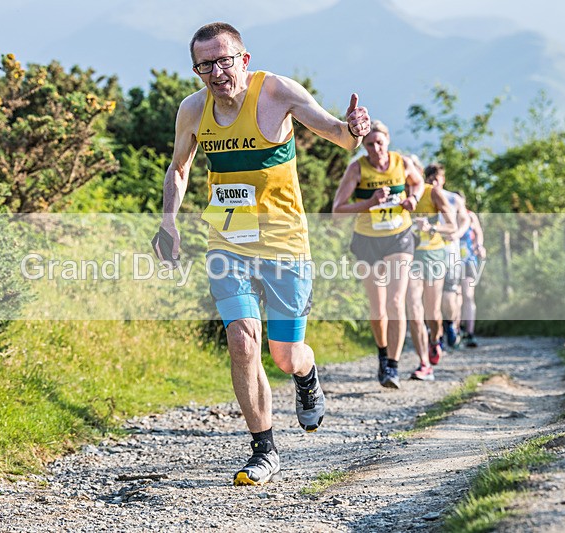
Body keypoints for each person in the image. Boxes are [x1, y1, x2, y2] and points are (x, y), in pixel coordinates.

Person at [152, 22, 371, 485]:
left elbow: (338, 133)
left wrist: (354, 130)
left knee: (285, 354)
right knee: (242, 341)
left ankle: (306, 376)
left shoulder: (277, 92)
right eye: (204, 64)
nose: (216, 71)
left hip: (284, 243)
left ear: (243, 60)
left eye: (224, 60)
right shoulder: (192, 110)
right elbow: (178, 169)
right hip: (227, 243)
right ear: (196, 70)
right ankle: (264, 449)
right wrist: (168, 221)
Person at [331, 121, 424, 389]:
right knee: (378, 307)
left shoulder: (402, 162)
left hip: (399, 237)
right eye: (370, 144)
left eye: (380, 143)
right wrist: (369, 203)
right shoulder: (357, 168)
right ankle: (383, 353)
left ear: (388, 141)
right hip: (368, 240)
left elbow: (418, 183)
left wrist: (413, 200)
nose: (376, 149)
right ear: (364, 146)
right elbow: (338, 209)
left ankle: (392, 366)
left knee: (396, 302)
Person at [406, 162, 456, 380]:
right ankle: (424, 363)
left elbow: (452, 226)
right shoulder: (397, 194)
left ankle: (436, 339)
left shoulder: (432, 193)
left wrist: (431, 227)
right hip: (408, 257)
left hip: (434, 254)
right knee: (413, 308)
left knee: (432, 313)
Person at [438, 186, 471, 350]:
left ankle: (451, 325)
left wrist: (457, 234)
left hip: (453, 254)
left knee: (451, 295)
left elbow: (467, 221)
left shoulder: (453, 199)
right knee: (433, 298)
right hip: (429, 254)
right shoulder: (422, 196)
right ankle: (437, 337)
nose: (435, 182)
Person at [459, 203, 486, 348]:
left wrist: (479, 246)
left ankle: (470, 333)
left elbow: (478, 233)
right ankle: (455, 330)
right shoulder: (444, 215)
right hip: (450, 261)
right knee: (454, 298)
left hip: (469, 260)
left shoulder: (470, 215)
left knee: (468, 295)